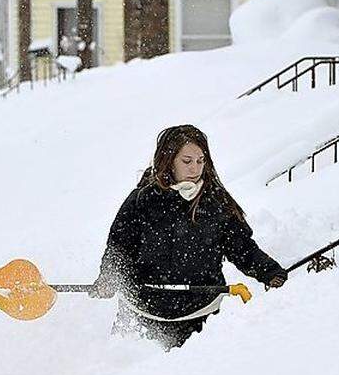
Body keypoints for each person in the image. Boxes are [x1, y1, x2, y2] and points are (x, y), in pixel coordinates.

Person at [91, 125, 288, 350]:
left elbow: (242, 248)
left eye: (200, 161)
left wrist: (270, 272)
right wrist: (110, 277)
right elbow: (119, 248)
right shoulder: (142, 200)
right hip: (140, 314)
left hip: (200, 317)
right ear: (169, 160)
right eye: (187, 161)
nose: (195, 168)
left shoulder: (216, 202)